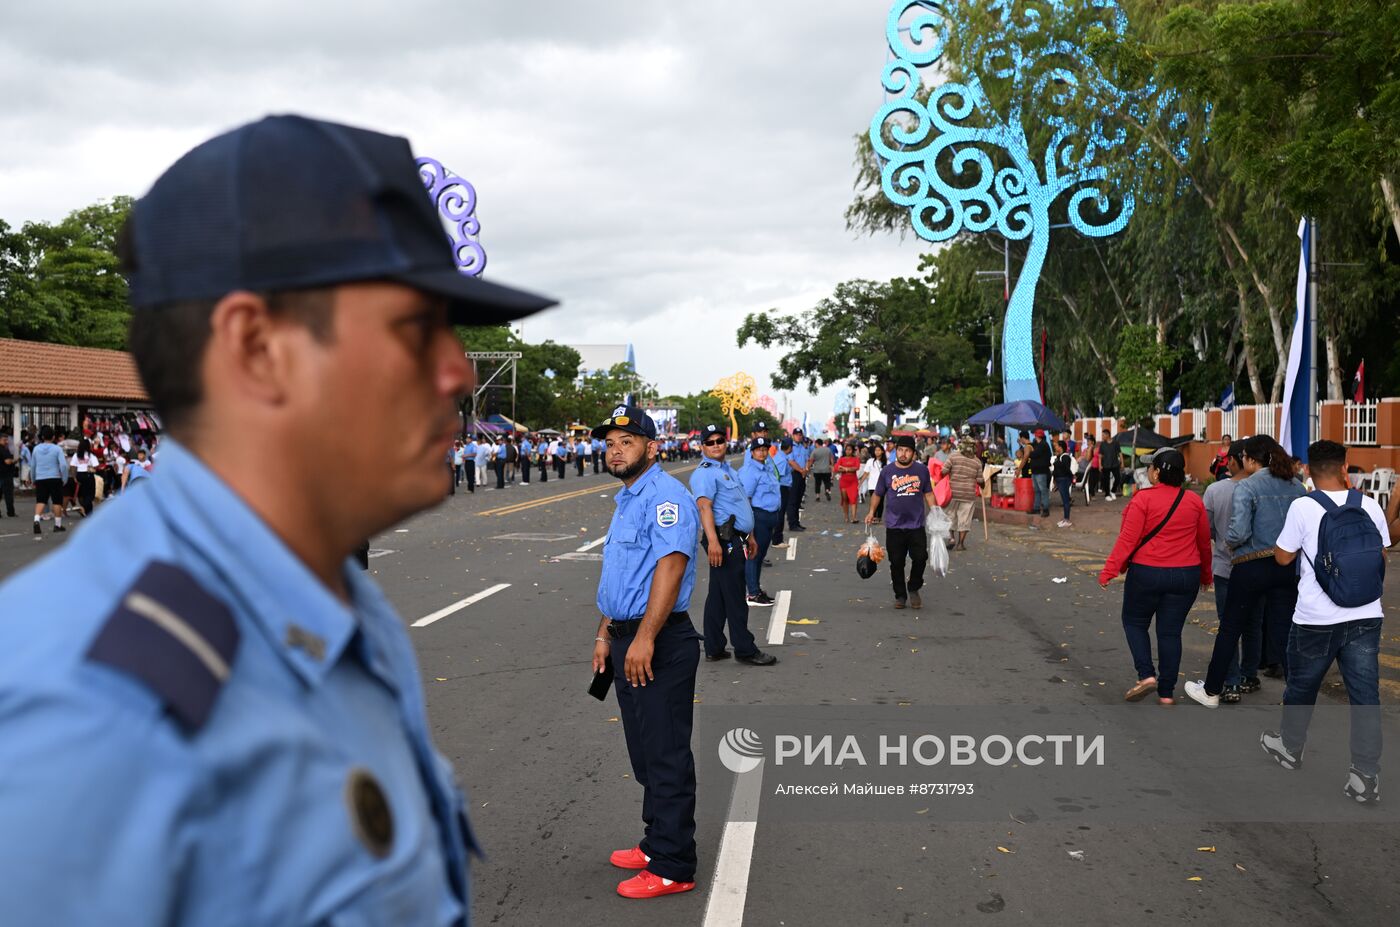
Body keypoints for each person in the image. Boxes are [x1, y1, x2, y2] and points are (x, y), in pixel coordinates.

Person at [0, 115, 557, 922]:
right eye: (415, 328)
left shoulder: (337, 603)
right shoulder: (87, 720)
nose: (458, 373)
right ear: (257, 347)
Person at [590, 404, 703, 899]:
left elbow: (671, 568)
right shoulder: (627, 499)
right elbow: (620, 580)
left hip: (657, 641)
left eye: (627, 442)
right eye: (610, 443)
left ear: (652, 447)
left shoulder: (665, 497)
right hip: (626, 638)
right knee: (643, 751)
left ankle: (673, 866)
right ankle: (656, 841)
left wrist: (645, 637)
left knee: (665, 755)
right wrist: (604, 634)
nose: (616, 450)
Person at [1255, 440, 1391, 802]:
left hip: (1316, 617)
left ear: (1308, 472)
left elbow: (1283, 558)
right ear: (1345, 466)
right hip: (1365, 614)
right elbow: (1380, 557)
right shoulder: (1370, 505)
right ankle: (1365, 775)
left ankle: (1290, 746)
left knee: (1302, 686)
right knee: (1365, 696)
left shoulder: (1303, 506)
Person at [1186, 435, 1305, 707]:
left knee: (1230, 628)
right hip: (1285, 565)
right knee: (1283, 629)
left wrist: (1228, 542)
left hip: (1250, 565)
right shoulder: (1297, 487)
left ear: (1250, 460)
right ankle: (1297, 694)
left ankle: (1212, 690)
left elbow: (1238, 532)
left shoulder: (1247, 487)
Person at [1099, 448, 1212, 705]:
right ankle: (1166, 692)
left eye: (1151, 467)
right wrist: (1206, 575)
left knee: (1135, 622)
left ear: (1157, 472)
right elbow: (1204, 543)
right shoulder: (1194, 501)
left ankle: (1146, 675)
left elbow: (1128, 540)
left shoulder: (1143, 499)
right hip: (1186, 575)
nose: (1149, 471)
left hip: (1147, 573)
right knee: (1170, 633)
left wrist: (1109, 571)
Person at [689, 424, 775, 666]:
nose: (716, 445)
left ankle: (714, 646)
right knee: (736, 596)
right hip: (723, 539)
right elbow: (705, 507)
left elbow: (738, 506)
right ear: (702, 446)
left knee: (718, 595)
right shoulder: (705, 472)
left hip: (735, 536)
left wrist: (750, 536)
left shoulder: (727, 469)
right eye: (710, 442)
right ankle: (745, 649)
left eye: (720, 440)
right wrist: (714, 542)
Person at [1200, 440, 1263, 703]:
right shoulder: (1265, 489)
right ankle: (1250, 675)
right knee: (1253, 624)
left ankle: (1232, 682)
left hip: (1226, 568)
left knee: (1228, 626)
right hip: (1259, 568)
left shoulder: (1215, 491)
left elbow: (1208, 531)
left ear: (1235, 461)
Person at [864, 435, 934, 609]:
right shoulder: (887, 471)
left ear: (913, 453)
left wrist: (937, 512)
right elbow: (878, 494)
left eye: (907, 451)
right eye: (900, 450)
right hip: (894, 526)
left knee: (920, 558)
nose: (903, 454)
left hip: (916, 525)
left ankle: (914, 587)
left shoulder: (922, 471)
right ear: (896, 451)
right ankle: (900, 595)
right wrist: (871, 511)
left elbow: (928, 494)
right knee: (896, 562)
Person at [738, 437, 782, 607]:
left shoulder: (766, 468)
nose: (762, 452)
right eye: (759, 449)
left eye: (765, 449)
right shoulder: (750, 471)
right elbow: (745, 498)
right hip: (759, 516)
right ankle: (753, 593)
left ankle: (756, 588)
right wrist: (748, 526)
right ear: (752, 452)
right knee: (753, 555)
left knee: (760, 554)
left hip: (770, 516)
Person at [29, 426, 69, 535]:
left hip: (40, 478)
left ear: (42, 437)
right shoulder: (57, 449)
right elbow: (64, 465)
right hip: (55, 478)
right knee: (57, 501)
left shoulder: (36, 449)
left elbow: (33, 465)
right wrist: (64, 478)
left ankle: (36, 520)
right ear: (53, 437)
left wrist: (33, 479)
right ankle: (57, 525)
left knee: (41, 501)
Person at [945, 439, 981, 550]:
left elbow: (943, 471)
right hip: (968, 494)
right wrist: (984, 485)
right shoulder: (977, 462)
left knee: (950, 516)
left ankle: (951, 538)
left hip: (953, 492)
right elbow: (980, 480)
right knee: (964, 519)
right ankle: (960, 544)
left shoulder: (953, 456)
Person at [785, 428, 809, 532]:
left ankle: (797, 522)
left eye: (800, 435)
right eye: (797, 435)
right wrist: (801, 470)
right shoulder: (791, 447)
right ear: (793, 435)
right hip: (794, 474)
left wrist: (806, 469)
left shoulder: (803, 447)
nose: (799, 436)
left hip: (802, 474)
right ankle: (792, 523)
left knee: (799, 499)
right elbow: (791, 461)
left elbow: (807, 459)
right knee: (793, 500)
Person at [69, 437, 101, 516]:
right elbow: (96, 466)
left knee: (81, 494)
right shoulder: (91, 455)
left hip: (79, 475)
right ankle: (84, 508)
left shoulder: (76, 455)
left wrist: (74, 477)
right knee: (90, 495)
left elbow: (72, 466)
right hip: (88, 475)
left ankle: (89, 513)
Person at [1027, 429, 1051, 526]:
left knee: (1043, 490)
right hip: (1036, 471)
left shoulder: (1043, 445)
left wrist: (1029, 453)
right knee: (1037, 490)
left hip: (1041, 471)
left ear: (1038, 436)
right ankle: (1036, 508)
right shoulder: (1037, 444)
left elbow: (1034, 454)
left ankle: (1045, 509)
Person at [835, 442, 862, 523]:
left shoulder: (856, 459)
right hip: (844, 481)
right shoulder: (841, 459)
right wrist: (848, 469)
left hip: (853, 481)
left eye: (850, 450)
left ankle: (854, 517)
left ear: (852, 451)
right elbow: (836, 468)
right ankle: (846, 516)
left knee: (853, 498)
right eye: (847, 450)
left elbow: (856, 468)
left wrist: (844, 468)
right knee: (845, 499)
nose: (848, 451)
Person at [1052, 438, 1074, 528]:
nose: (1055, 447)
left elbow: (1065, 468)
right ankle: (1065, 518)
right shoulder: (1059, 457)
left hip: (1064, 479)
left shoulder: (1065, 457)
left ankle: (1067, 519)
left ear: (1060, 447)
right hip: (1059, 480)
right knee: (1064, 499)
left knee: (1066, 500)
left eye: (1056, 445)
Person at [0, 429, 17, 518]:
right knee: (8, 495)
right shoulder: (3, 450)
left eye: (7, 440)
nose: (6, 442)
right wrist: (14, 460)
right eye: (4, 440)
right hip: (5, 474)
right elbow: (8, 461)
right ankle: (10, 512)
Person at [1100, 428, 1121, 500]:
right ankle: (1107, 495)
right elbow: (1100, 456)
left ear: (1107, 435)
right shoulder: (1102, 444)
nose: (1102, 437)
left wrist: (1122, 463)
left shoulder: (1116, 443)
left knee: (1118, 478)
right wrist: (1100, 465)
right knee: (1106, 480)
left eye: (1103, 435)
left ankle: (1113, 491)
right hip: (1105, 465)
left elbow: (1120, 453)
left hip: (1115, 464)